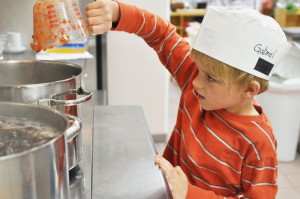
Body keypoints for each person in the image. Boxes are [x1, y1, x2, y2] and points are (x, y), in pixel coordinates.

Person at [85, 1, 291, 198]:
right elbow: (162, 35)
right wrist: (118, 12)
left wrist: (189, 194)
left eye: (210, 78)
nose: (196, 83)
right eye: (199, 71)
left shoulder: (258, 144)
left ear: (248, 89)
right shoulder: (196, 80)